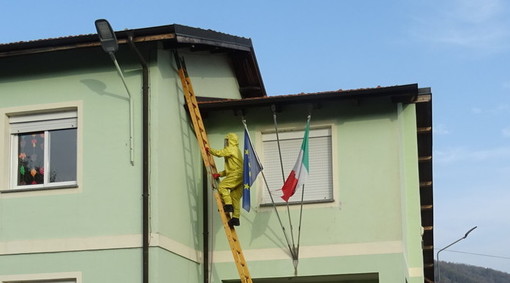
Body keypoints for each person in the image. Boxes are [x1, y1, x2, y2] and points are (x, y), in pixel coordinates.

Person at [208, 133, 243, 227]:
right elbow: (230, 169)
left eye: (227, 141)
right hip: (240, 175)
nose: (226, 143)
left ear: (230, 140)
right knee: (235, 197)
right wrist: (219, 174)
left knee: (222, 186)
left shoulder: (231, 149)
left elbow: (219, 153)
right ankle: (235, 218)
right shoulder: (237, 150)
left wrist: (208, 149)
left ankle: (228, 205)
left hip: (236, 174)